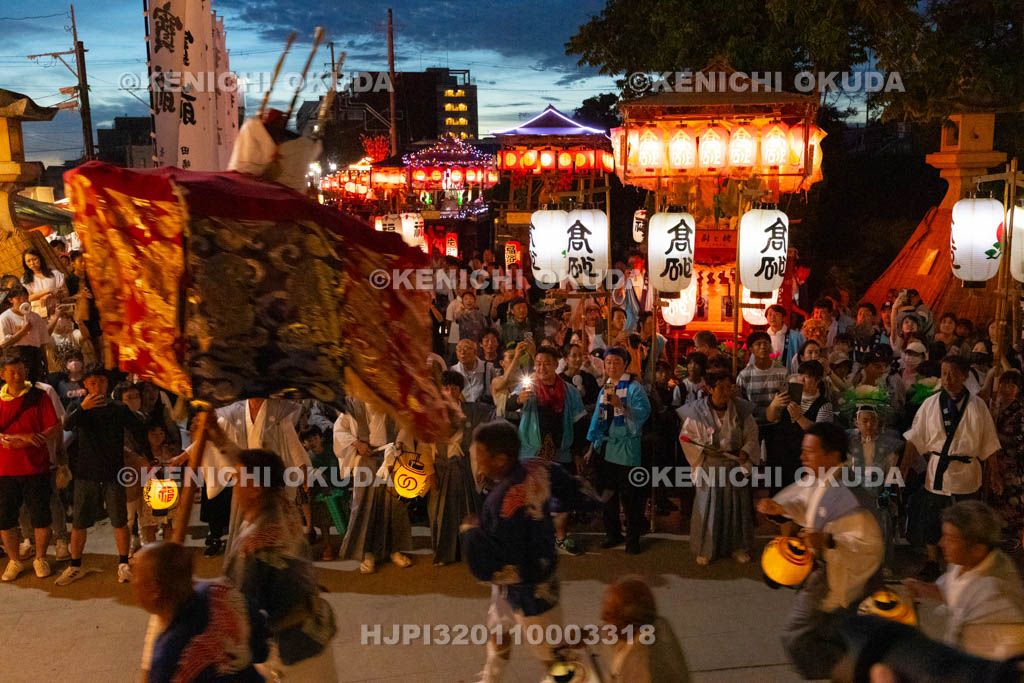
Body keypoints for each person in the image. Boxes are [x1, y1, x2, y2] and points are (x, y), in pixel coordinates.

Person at [462, 420, 591, 683]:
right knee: (499, 630)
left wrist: (471, 533)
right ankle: (491, 679)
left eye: (480, 456)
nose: (476, 462)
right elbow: (572, 489)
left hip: (530, 586)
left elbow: (491, 562)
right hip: (524, 579)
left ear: (499, 459)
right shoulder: (536, 466)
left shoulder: (501, 500)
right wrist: (587, 502)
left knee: (551, 654)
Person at [756, 423, 884, 680]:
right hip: (828, 572)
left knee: (798, 636)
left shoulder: (850, 494)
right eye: (803, 451)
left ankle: (859, 672)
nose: (802, 457)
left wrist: (827, 539)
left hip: (842, 576)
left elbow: (870, 546)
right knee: (823, 635)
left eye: (809, 452)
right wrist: (780, 509)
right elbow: (807, 506)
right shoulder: (820, 481)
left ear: (833, 455)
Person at [222, 447, 338, 678]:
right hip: (317, 640)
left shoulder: (253, 546)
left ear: (254, 489)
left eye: (237, 479)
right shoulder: (287, 509)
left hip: (287, 659)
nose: (233, 485)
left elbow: (243, 612)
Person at [902, 355, 1001, 580]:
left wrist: (994, 473)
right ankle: (931, 561)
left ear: (965, 376)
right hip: (938, 469)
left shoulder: (978, 406)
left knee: (969, 518)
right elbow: (914, 439)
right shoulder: (930, 404)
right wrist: (903, 468)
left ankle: (968, 563)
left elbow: (989, 443)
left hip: (967, 470)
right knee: (932, 517)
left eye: (953, 373)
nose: (947, 378)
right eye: (944, 373)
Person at [55, 366, 144, 585]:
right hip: (85, 474)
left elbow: (138, 428)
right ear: (85, 385)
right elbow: (67, 424)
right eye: (92, 382)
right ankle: (75, 565)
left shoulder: (118, 408)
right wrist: (83, 409)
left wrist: (143, 455)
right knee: (79, 523)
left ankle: (123, 564)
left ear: (107, 383)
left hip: (114, 473)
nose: (97, 386)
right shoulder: (78, 406)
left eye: (101, 381)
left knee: (119, 521)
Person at [902, 501, 1024, 659]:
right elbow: (953, 589)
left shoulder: (994, 598)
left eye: (951, 539)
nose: (941, 543)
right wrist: (923, 589)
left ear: (977, 549)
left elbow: (977, 666)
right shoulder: (966, 562)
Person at [134, 542, 268, 683]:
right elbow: (261, 650)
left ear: (155, 589)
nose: (134, 583)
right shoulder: (222, 593)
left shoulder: (169, 655)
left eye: (136, 575)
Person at [678, 369, 759, 566]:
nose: (725, 392)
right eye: (720, 388)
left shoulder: (741, 410)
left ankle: (737, 547)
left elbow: (752, 435)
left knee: (737, 507)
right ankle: (706, 549)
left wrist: (745, 452)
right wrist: (703, 451)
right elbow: (687, 438)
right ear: (709, 389)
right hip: (709, 464)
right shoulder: (697, 411)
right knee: (708, 507)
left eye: (728, 388)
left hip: (734, 464)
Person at [511, 345, 587, 555]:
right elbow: (505, 409)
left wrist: (578, 452)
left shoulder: (570, 392)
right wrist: (517, 401)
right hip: (531, 452)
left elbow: (579, 423)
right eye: (538, 363)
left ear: (556, 365)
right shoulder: (526, 388)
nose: (541, 367)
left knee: (561, 498)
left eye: (547, 363)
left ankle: (560, 537)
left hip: (561, 452)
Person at [0, 352, 60, 581]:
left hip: (36, 467)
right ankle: (14, 560)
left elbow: (53, 427)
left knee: (41, 515)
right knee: (5, 518)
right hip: (4, 469)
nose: (17, 375)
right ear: (2, 374)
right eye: (11, 371)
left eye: (20, 370)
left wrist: (29, 437)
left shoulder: (39, 396)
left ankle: (41, 557)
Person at [587, 347, 652, 554]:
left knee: (631, 497)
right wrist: (592, 445)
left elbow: (643, 414)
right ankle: (612, 533)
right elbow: (598, 417)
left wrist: (621, 406)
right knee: (607, 496)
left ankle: (633, 538)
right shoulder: (605, 387)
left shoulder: (634, 388)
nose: (612, 366)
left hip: (626, 448)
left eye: (616, 362)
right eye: (608, 363)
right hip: (605, 447)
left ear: (625, 364)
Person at [333, 396, 407, 573]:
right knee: (366, 506)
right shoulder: (352, 405)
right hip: (365, 459)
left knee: (393, 505)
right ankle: (367, 553)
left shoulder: (390, 400)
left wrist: (400, 443)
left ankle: (394, 549)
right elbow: (338, 430)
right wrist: (357, 443)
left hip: (390, 457)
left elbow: (404, 426)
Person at [430, 372, 491, 564]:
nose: (450, 391)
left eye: (454, 388)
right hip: (441, 467)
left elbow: (478, 444)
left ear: (460, 390)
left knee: (469, 510)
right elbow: (424, 445)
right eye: (445, 387)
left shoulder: (471, 412)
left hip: (465, 467)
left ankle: (471, 552)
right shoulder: (430, 413)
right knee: (442, 514)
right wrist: (430, 472)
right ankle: (445, 554)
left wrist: (482, 468)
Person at [599, 575, 691, 682]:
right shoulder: (652, 626)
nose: (602, 617)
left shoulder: (641, 666)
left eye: (609, 613)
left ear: (630, 620)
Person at [846, 405, 903, 570]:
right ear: (857, 423)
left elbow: (891, 472)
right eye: (864, 421)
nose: (869, 425)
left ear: (878, 422)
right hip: (856, 490)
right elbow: (847, 470)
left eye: (872, 420)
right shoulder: (850, 443)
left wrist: (885, 491)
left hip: (878, 490)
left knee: (882, 519)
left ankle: (882, 565)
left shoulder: (889, 445)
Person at [989, 369, 1024, 544]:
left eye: (1012, 384)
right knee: (996, 501)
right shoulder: (993, 405)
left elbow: (1018, 439)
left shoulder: (1020, 411)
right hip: (994, 462)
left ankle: (1016, 542)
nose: (1006, 388)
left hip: (1012, 464)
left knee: (1013, 504)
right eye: (1003, 383)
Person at [0, 285, 53, 381]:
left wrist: (45, 363)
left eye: (25, 298)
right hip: (16, 358)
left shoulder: (36, 317)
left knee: (36, 386)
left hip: (35, 357)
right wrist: (23, 331)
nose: (22, 301)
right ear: (11, 300)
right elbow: (4, 344)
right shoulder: (5, 317)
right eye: (18, 298)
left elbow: (42, 343)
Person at [21, 248, 67, 320]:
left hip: (57, 312)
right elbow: (28, 298)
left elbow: (65, 292)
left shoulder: (54, 274)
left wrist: (50, 295)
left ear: (40, 258)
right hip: (39, 315)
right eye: (28, 261)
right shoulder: (26, 280)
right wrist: (47, 290)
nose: (32, 263)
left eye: (34, 259)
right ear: (25, 263)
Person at [452, 338, 496, 404]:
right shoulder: (453, 370)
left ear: (475, 352)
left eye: (466, 348)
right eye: (459, 349)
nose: (462, 352)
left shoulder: (488, 367)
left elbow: (495, 391)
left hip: (484, 409)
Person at [765, 303, 805, 369]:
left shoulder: (795, 337)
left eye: (776, 314)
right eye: (770, 314)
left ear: (783, 318)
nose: (773, 317)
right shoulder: (763, 337)